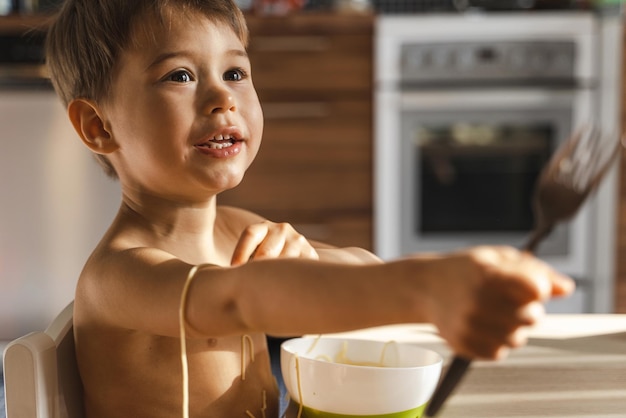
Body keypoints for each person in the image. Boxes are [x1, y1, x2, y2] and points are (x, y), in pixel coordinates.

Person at [45, 1, 574, 417]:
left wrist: (315, 264)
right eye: (180, 76)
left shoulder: (238, 229)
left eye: (235, 73)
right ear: (99, 127)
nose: (222, 99)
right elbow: (236, 302)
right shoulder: (119, 275)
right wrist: (428, 290)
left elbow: (365, 267)